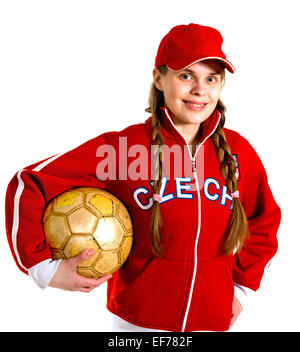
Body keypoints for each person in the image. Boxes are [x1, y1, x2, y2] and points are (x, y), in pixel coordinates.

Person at [5, 23, 281, 332]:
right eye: (186, 75)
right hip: (136, 324)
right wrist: (43, 268)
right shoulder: (124, 149)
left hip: (212, 322)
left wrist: (242, 290)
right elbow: (29, 182)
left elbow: (264, 220)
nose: (199, 90)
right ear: (159, 78)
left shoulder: (238, 151)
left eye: (211, 78)